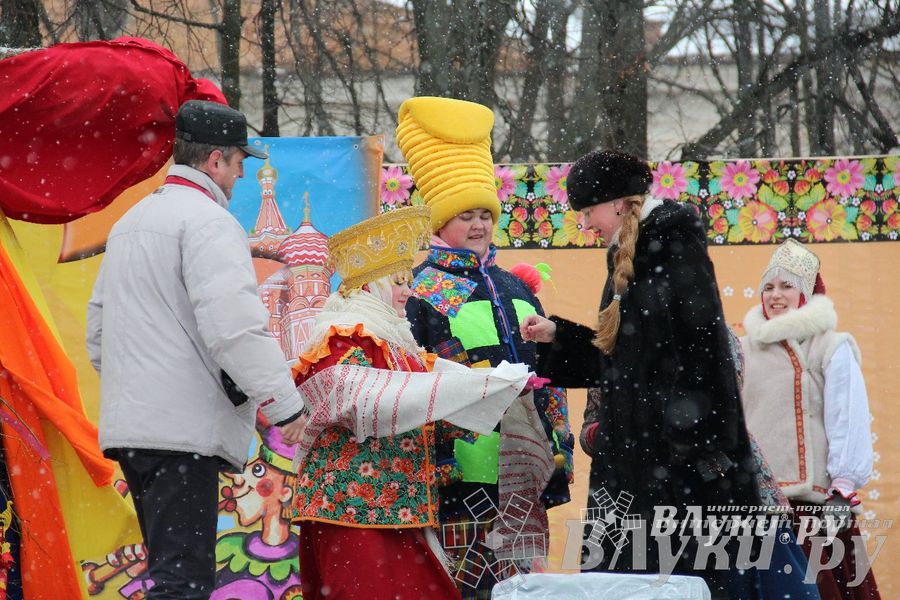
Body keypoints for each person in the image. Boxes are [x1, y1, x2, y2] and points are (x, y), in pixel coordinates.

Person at [86, 100, 306, 599]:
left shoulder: (131, 222)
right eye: (238, 162)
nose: (241, 175)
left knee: (169, 573)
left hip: (134, 432)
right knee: (183, 583)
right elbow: (234, 328)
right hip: (181, 435)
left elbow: (99, 332)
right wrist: (283, 402)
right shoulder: (210, 223)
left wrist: (143, 387)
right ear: (215, 161)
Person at [521, 150, 760, 598]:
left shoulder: (673, 247)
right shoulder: (625, 256)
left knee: (676, 584)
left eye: (588, 212)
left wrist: (684, 449)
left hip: (675, 472)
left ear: (616, 203)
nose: (586, 225)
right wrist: (560, 336)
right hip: (636, 465)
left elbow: (703, 360)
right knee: (627, 585)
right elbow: (622, 362)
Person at [289, 205, 533, 600]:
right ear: (370, 286)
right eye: (398, 282)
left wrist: (499, 386)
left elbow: (428, 403)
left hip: (400, 509)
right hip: (352, 510)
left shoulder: (398, 343)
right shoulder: (341, 338)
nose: (408, 291)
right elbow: (372, 403)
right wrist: (469, 388)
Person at [397, 96, 571, 598]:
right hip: (460, 469)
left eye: (485, 215)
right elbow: (415, 376)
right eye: (464, 215)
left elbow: (546, 373)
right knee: (467, 587)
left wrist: (557, 444)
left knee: (523, 587)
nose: (477, 225)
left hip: (524, 464)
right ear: (438, 223)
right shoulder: (425, 289)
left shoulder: (517, 288)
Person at [740, 238, 879, 599]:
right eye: (768, 287)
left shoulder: (830, 346)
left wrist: (843, 486)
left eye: (787, 286)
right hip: (758, 505)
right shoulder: (742, 349)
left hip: (812, 509)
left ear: (806, 292)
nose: (775, 295)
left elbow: (846, 418)